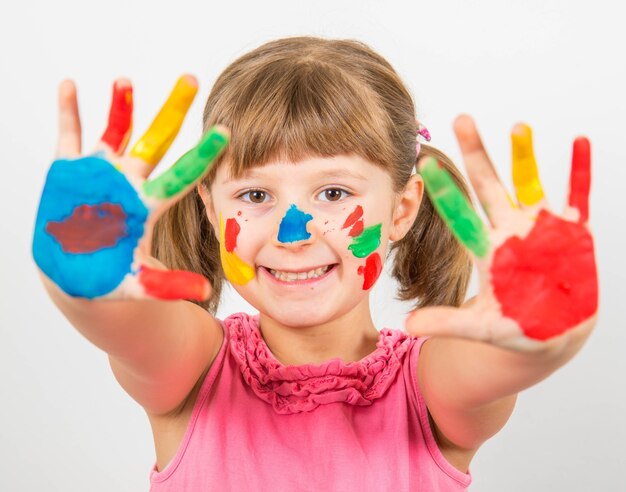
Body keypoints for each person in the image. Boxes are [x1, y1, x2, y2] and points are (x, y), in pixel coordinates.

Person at [32, 36, 598, 491]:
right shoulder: (194, 368)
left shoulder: (431, 388)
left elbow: (502, 358)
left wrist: (547, 318)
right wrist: (87, 274)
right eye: (255, 196)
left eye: (332, 193)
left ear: (401, 209)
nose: (292, 232)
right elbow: (122, 323)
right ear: (208, 208)